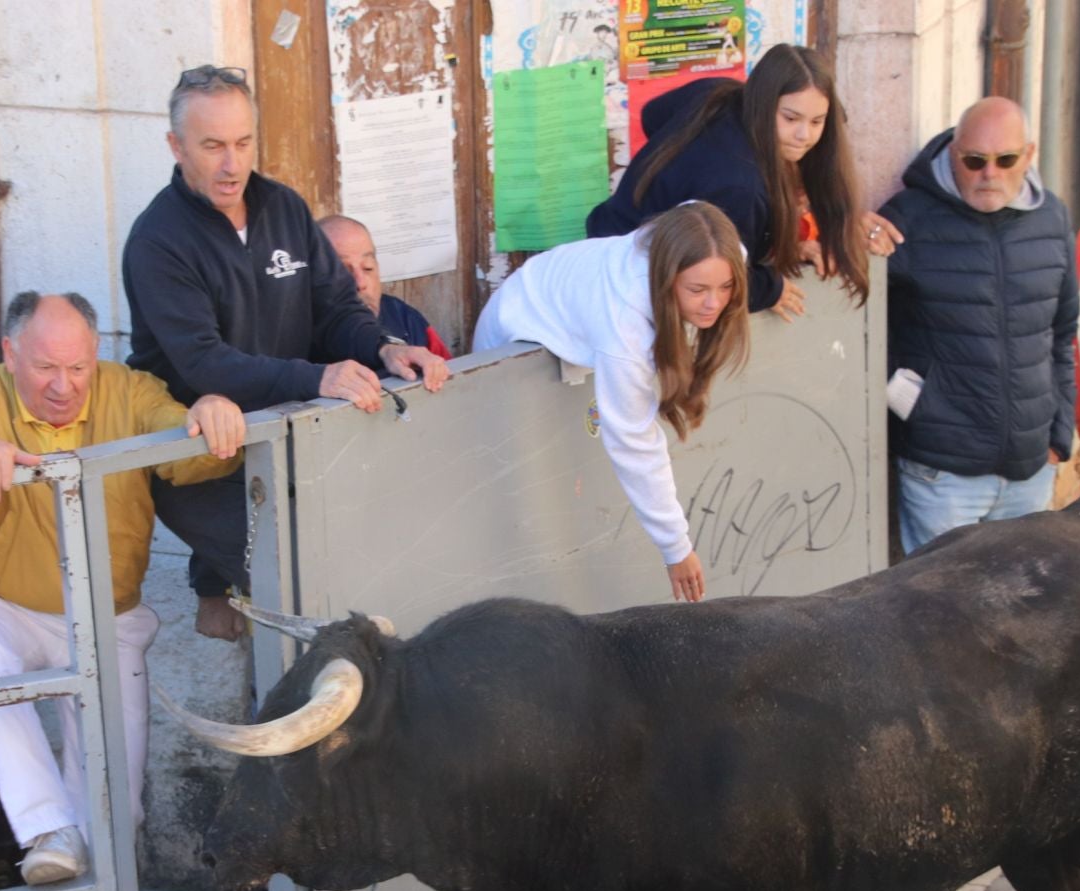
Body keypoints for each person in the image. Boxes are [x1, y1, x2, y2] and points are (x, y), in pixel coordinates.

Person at [0, 291, 245, 891]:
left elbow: (186, 445)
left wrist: (213, 415)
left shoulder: (128, 390)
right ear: (10, 356)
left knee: (115, 804)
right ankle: (43, 829)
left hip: (106, 616)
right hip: (7, 605)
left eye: (78, 366)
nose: (64, 385)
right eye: (45, 368)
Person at [122, 65, 449, 642]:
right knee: (295, 597)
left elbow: (336, 309)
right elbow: (202, 362)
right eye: (213, 146)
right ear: (175, 146)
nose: (233, 164)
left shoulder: (284, 208)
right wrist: (317, 376)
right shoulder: (157, 240)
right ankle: (288, 724)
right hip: (206, 463)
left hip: (296, 442)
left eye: (244, 143)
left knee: (339, 588)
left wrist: (387, 347)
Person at [472, 202, 750, 603]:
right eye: (697, 290)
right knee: (522, 479)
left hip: (569, 319)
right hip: (516, 328)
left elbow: (693, 209)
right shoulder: (625, 327)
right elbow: (632, 439)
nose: (714, 303)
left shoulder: (721, 252)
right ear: (666, 276)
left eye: (726, 288)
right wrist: (676, 548)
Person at [878, 97, 1077, 554]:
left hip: (1030, 473)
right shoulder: (907, 221)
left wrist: (1058, 436)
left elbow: (1063, 335)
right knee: (941, 618)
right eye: (974, 161)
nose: (990, 173)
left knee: (1023, 613)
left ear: (1029, 156)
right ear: (953, 155)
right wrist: (913, 403)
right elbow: (862, 330)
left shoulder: (1052, 219)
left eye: (1006, 160)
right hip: (942, 476)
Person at [586, 44, 897, 321]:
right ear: (764, 105)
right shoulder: (740, 184)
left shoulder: (720, 93)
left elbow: (653, 115)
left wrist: (681, 171)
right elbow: (721, 283)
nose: (805, 136)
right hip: (629, 281)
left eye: (817, 122)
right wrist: (768, 289)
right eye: (790, 118)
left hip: (607, 232)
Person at [317, 215, 453, 358]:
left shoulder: (404, 318)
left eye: (368, 268)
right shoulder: (299, 340)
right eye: (343, 271)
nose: (360, 283)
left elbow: (450, 372)